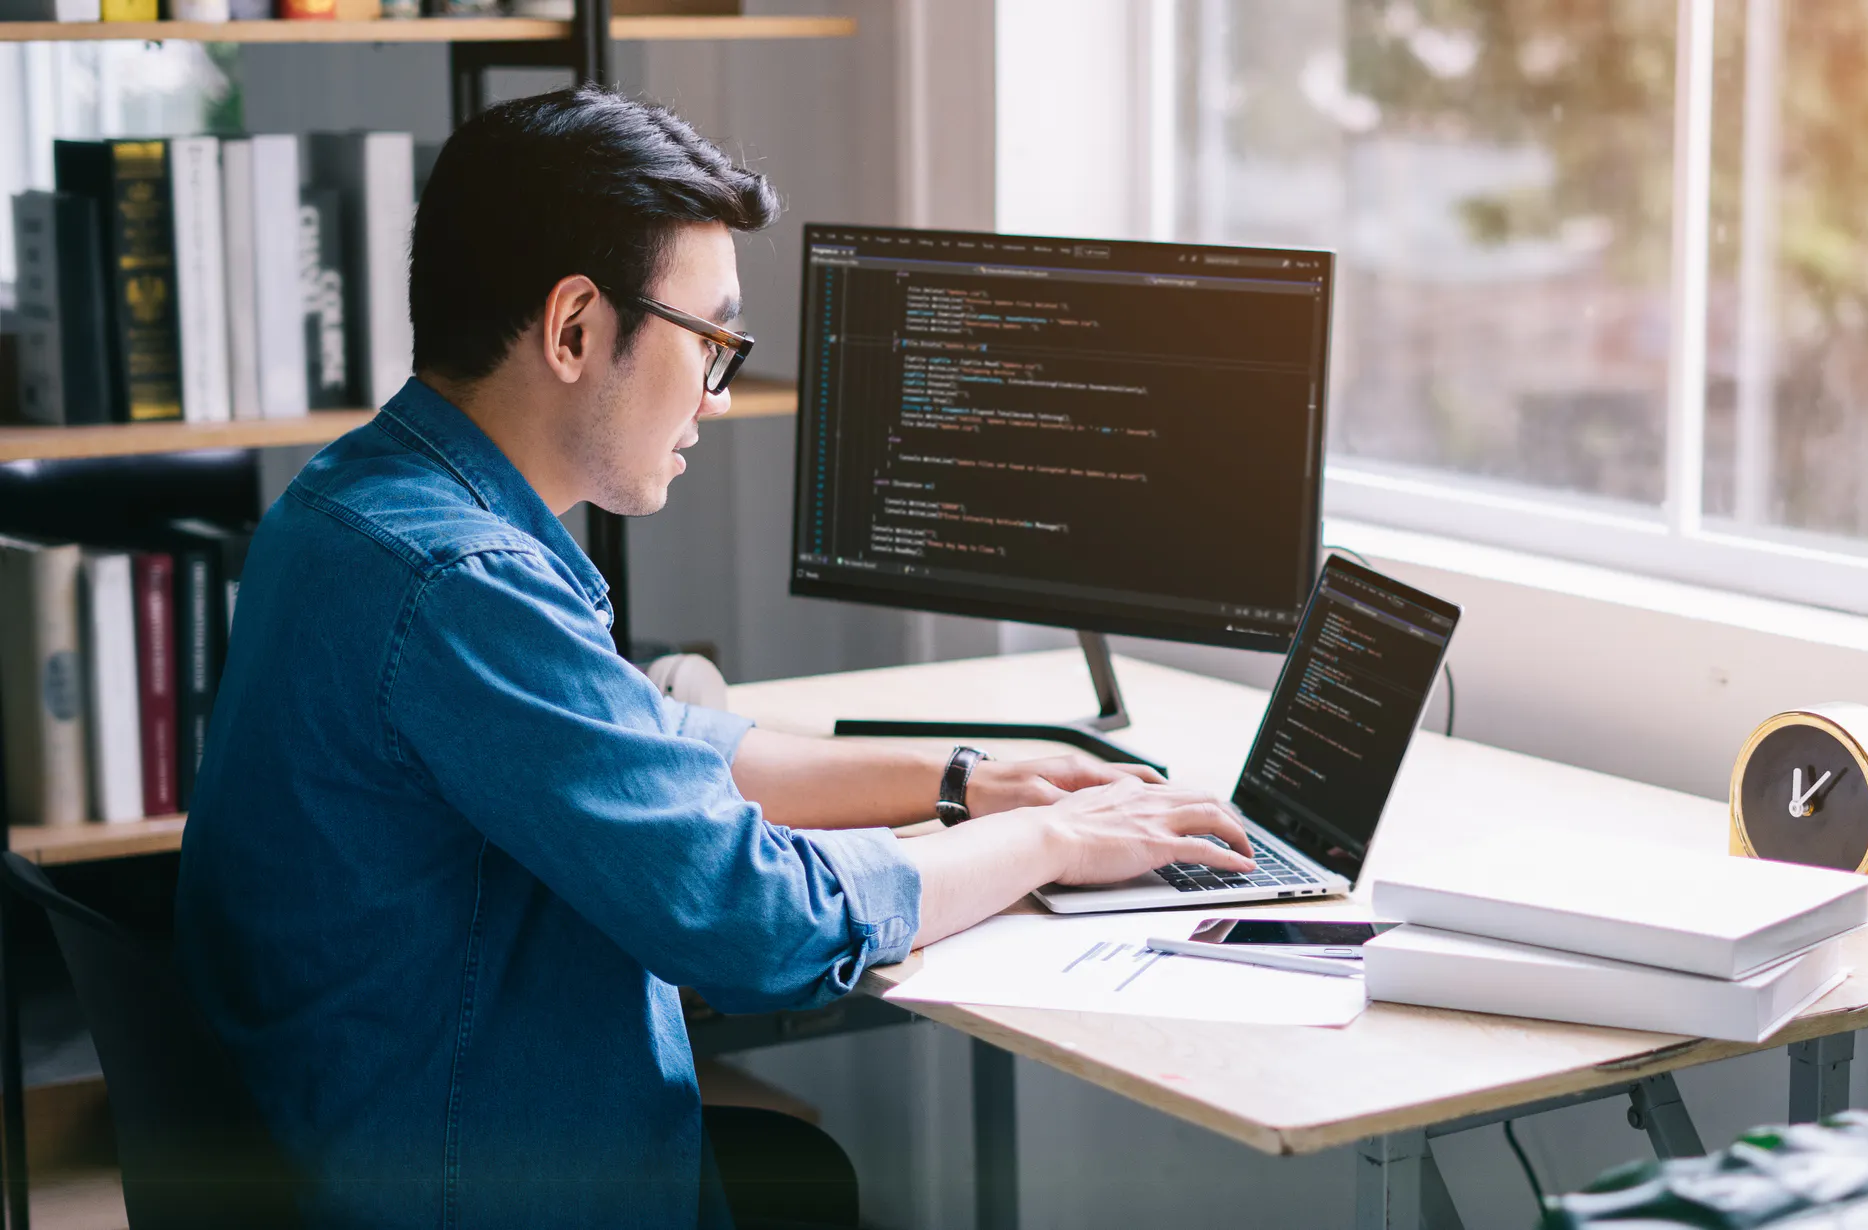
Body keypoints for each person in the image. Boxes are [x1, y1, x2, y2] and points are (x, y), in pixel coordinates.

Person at [173, 85, 1257, 1230]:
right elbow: (755, 924)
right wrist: (1043, 840)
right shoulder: (462, 584)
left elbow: (657, 742)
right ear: (575, 328)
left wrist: (959, 781)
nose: (715, 394)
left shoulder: (354, 502)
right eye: (710, 342)